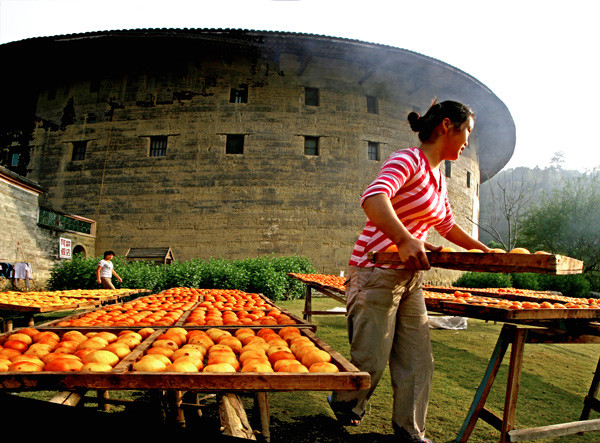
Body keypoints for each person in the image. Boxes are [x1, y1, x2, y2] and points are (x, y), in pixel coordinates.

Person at [328, 100, 490, 443]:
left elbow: (446, 225)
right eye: (467, 133)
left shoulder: (439, 179)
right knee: (371, 360)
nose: (467, 143)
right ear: (447, 126)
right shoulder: (408, 160)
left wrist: (486, 252)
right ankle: (344, 402)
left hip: (411, 277)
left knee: (418, 360)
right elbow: (374, 198)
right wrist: (404, 239)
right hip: (375, 269)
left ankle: (409, 432)